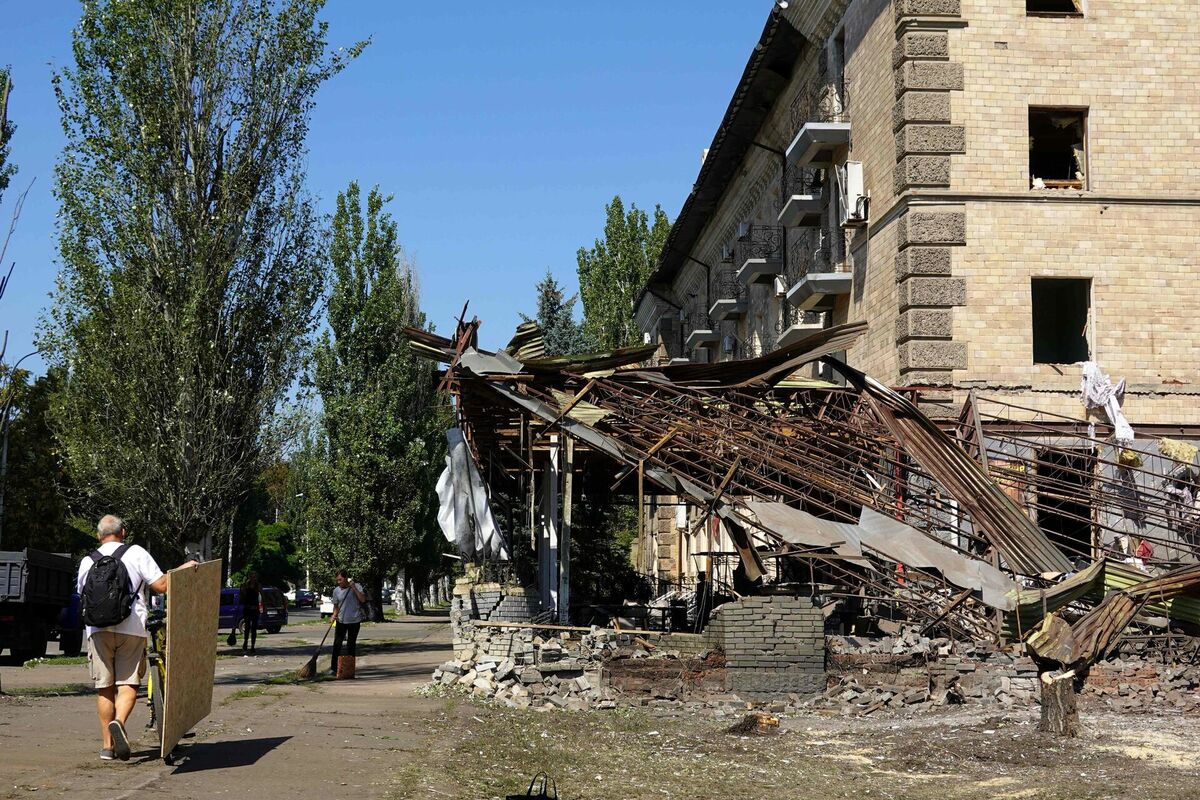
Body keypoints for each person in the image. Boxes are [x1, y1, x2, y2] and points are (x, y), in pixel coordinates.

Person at [76, 515, 196, 761]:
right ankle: (119, 721)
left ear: (98, 536)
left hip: (97, 631)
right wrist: (183, 569)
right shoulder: (136, 552)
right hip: (131, 628)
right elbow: (161, 585)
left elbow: (82, 594)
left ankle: (107, 747)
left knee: (104, 688)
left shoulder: (87, 561)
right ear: (123, 532)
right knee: (128, 684)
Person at [329, 569, 367, 676]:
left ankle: (349, 670)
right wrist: (333, 615)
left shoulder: (356, 586)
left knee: (351, 645)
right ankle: (334, 668)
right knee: (337, 644)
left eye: (340, 580)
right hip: (341, 621)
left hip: (354, 621)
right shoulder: (336, 590)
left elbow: (363, 599)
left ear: (346, 578)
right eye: (337, 580)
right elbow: (336, 606)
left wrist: (353, 587)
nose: (339, 582)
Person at [239, 572, 261, 656]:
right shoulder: (246, 585)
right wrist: (242, 590)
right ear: (249, 577)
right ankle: (245, 643)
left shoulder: (258, 585)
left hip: (255, 609)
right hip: (247, 608)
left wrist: (264, 606)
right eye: (252, 576)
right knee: (247, 627)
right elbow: (242, 596)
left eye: (255, 576)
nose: (254, 578)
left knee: (254, 628)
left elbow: (261, 594)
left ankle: (252, 646)